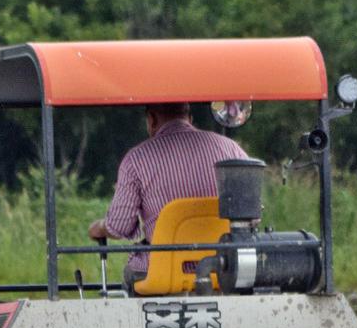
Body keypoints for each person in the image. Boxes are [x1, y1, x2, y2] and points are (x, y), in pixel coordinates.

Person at [88, 104, 248, 285]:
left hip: (160, 275)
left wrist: (99, 227)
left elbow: (119, 227)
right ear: (189, 117)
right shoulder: (232, 150)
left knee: (131, 273)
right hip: (223, 270)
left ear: (152, 119)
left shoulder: (136, 160)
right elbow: (250, 215)